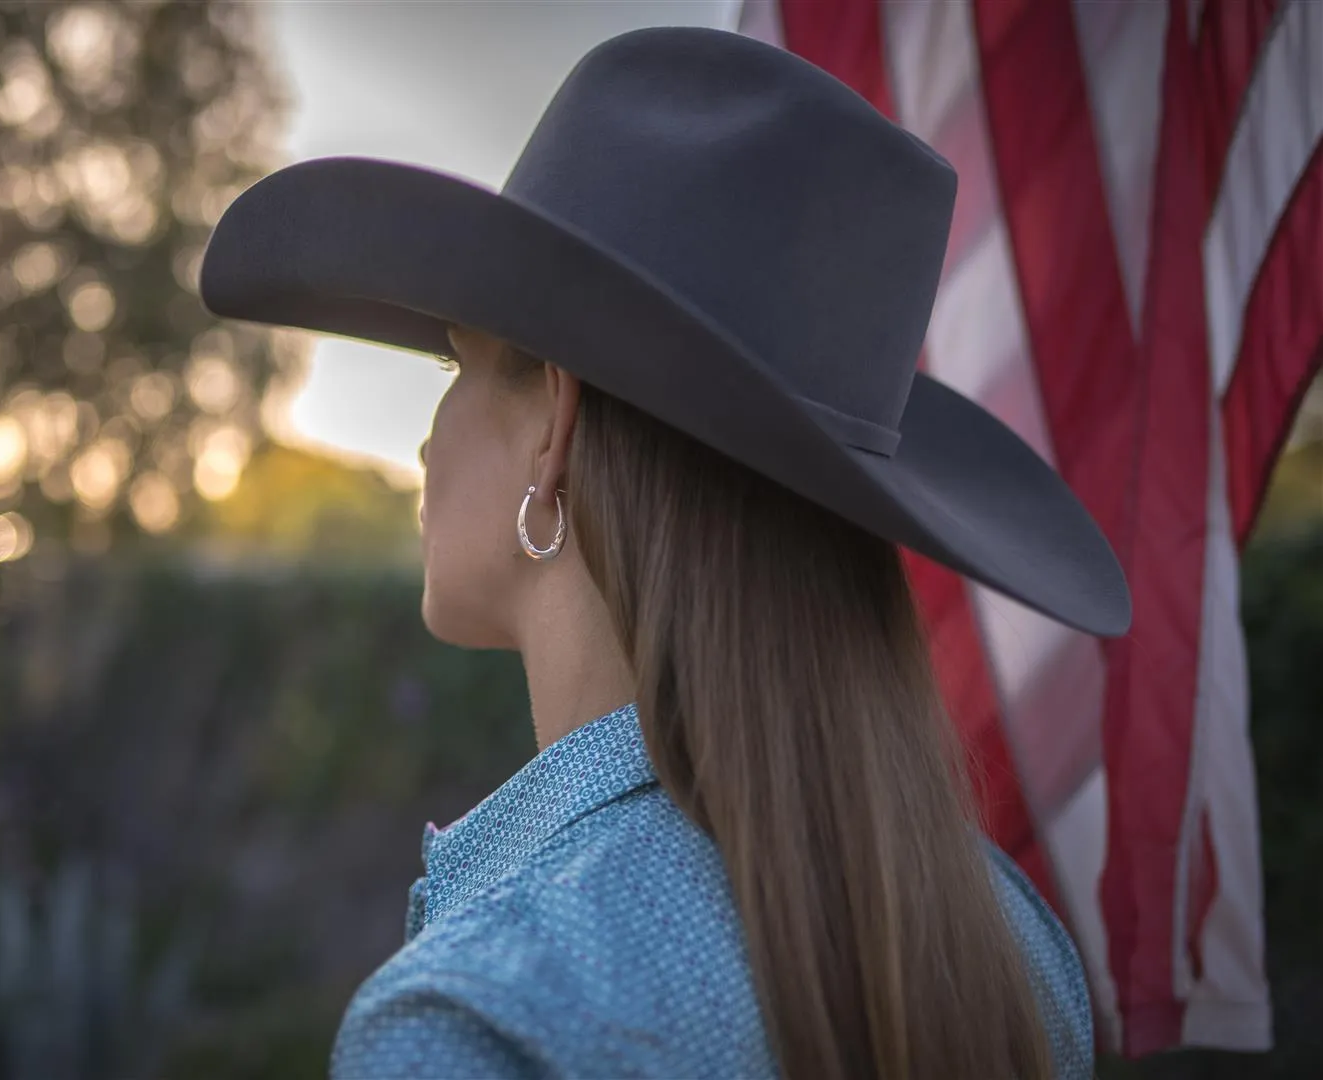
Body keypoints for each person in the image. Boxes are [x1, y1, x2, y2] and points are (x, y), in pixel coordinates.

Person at [199, 25, 1128, 1080]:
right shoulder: (1008, 943)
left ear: (554, 421)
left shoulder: (482, 1019)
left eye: (455, 365)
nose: (428, 434)